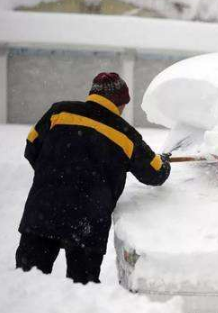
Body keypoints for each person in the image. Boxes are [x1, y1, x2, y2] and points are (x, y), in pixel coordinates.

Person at [16, 72, 171, 284]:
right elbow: (155, 174)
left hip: (43, 210)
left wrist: (55, 176)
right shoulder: (125, 134)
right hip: (88, 222)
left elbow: (31, 147)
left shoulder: (59, 112)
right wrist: (164, 162)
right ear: (119, 102)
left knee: (25, 283)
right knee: (83, 290)